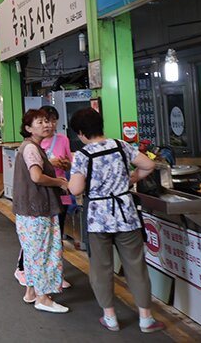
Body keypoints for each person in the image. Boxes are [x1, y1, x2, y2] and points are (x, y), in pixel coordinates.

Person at [68, 108, 165, 333]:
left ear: (81, 132)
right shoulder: (121, 145)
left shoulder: (82, 155)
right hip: (125, 214)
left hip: (97, 218)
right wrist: (130, 179)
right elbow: (149, 165)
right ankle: (146, 318)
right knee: (136, 265)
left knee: (101, 268)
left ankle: (110, 317)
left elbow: (76, 188)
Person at [13, 109, 69, 314]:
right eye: (39, 122)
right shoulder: (31, 149)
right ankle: (43, 298)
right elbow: (36, 176)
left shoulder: (32, 147)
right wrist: (60, 182)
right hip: (36, 210)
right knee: (43, 253)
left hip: (28, 209)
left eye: (47, 121)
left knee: (33, 253)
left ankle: (31, 292)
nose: (46, 125)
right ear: (28, 128)